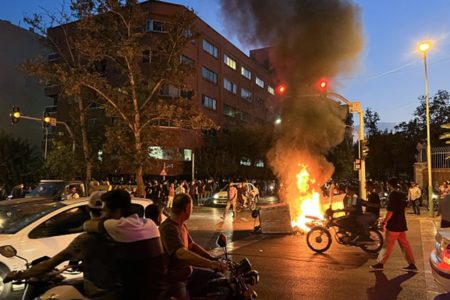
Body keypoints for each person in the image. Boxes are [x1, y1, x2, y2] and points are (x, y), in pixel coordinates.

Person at [3, 192, 123, 299]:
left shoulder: (86, 239)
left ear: (88, 209)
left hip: (101, 294)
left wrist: (18, 275)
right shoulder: (126, 234)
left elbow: (50, 264)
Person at [84, 190, 167, 300]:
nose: (103, 215)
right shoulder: (149, 223)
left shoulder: (116, 226)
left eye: (105, 211)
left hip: (138, 294)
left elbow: (88, 225)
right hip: (159, 289)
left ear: (117, 211)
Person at [159, 193, 228, 299]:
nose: (192, 209)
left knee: (219, 280)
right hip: (176, 278)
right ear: (186, 209)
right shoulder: (168, 228)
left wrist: (213, 259)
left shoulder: (181, 225)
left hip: (188, 272)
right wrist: (210, 264)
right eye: (191, 207)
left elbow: (192, 245)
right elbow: (181, 253)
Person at [371, 178, 417, 272]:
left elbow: (391, 211)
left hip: (394, 224)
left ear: (389, 185)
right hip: (401, 223)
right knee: (405, 244)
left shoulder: (393, 195)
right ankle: (412, 264)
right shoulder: (401, 194)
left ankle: (380, 263)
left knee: (387, 245)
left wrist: (384, 222)